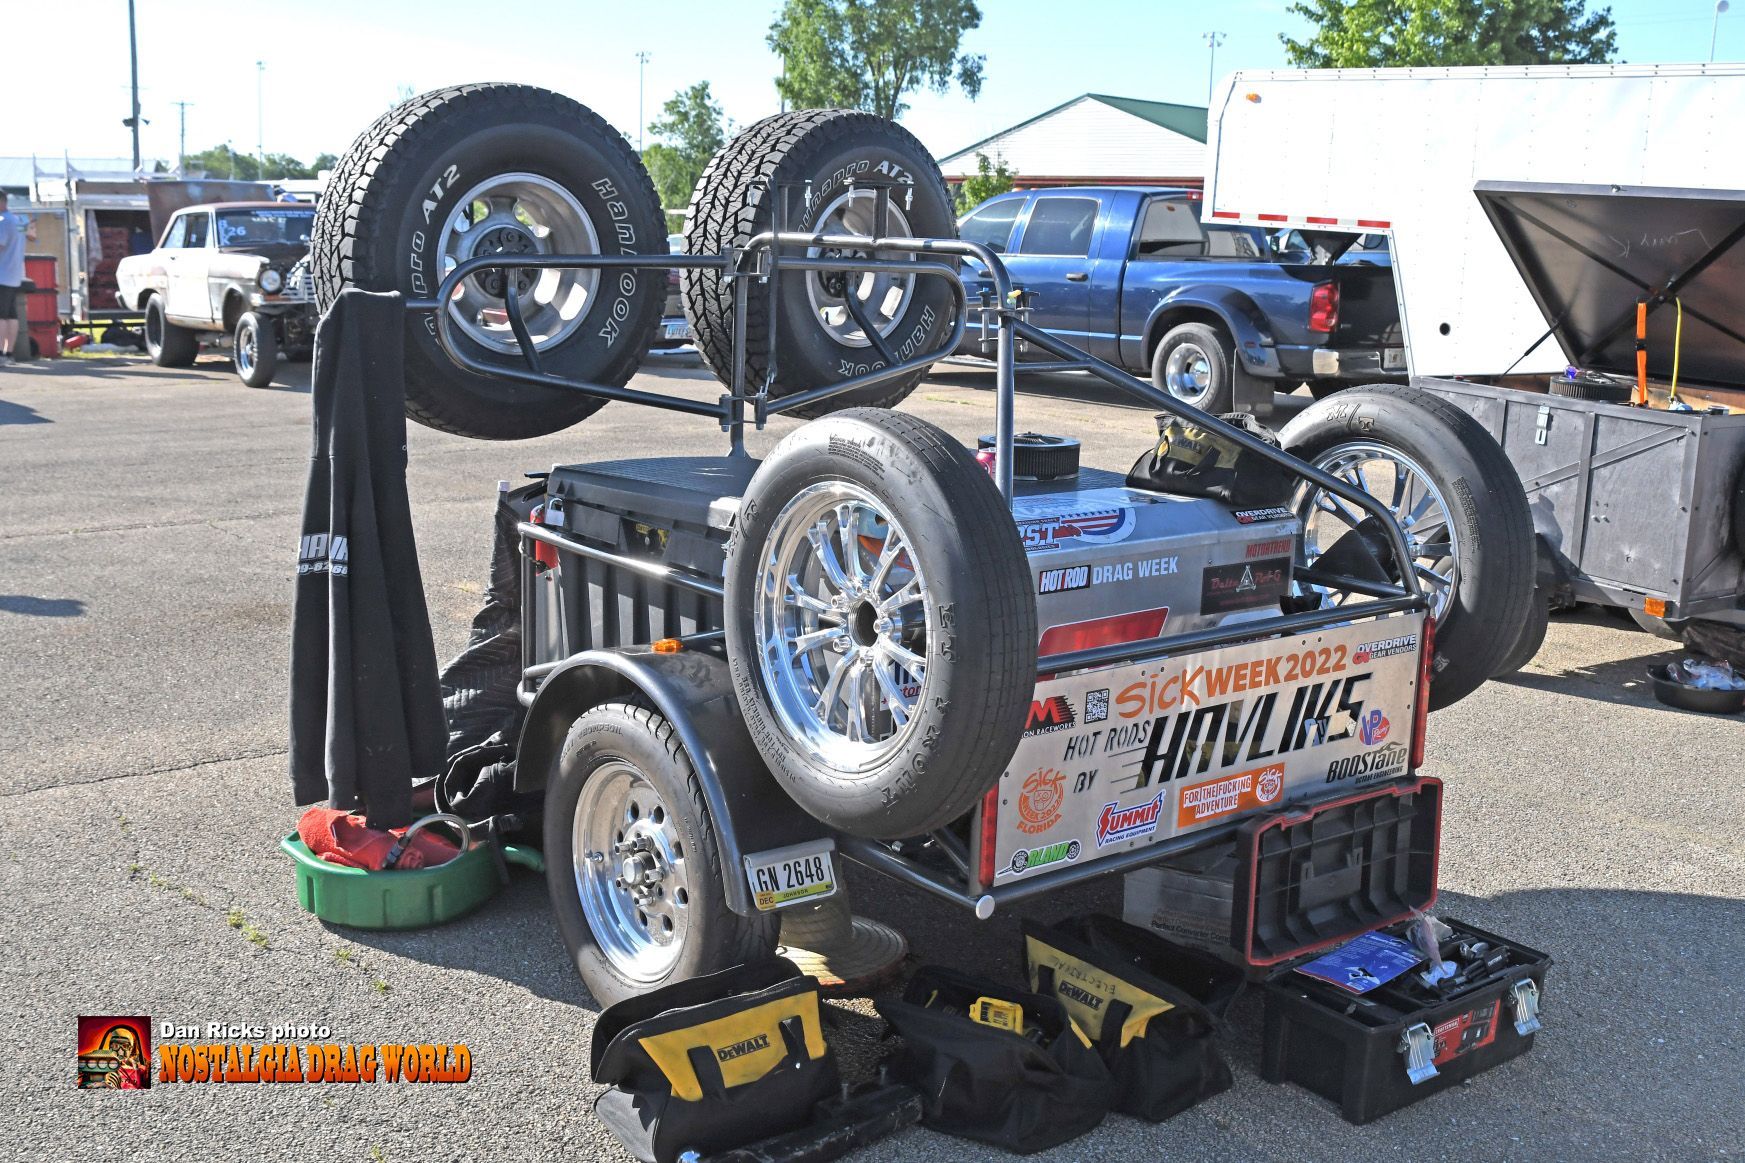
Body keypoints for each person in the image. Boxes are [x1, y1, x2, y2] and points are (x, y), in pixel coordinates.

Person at [0, 191, 38, 365]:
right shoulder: (19, 220)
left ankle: (2, 354)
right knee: (11, 315)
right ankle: (8, 354)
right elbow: (32, 237)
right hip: (15, 275)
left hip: (2, 275)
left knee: (1, 317)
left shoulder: (2, 221)